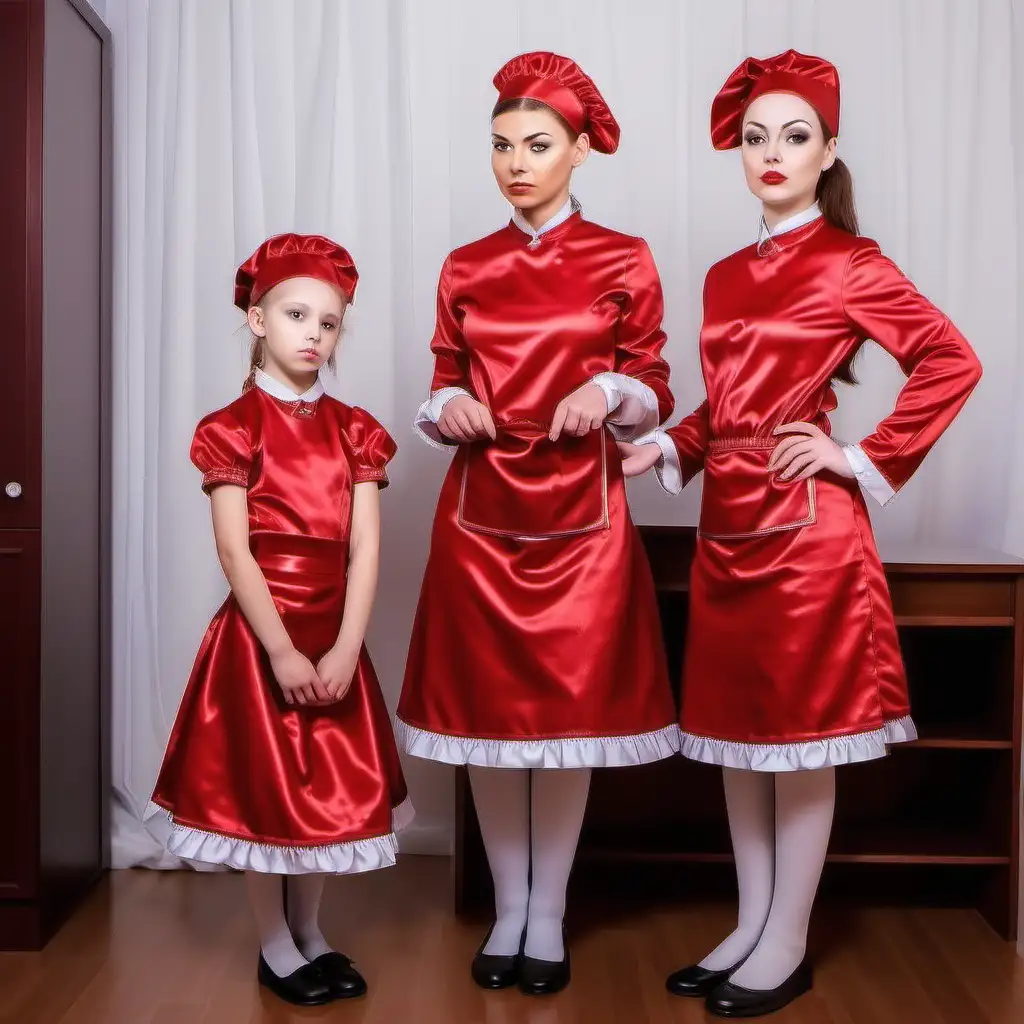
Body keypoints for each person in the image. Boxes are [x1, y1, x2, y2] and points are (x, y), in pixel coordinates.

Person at [620, 50, 982, 1018]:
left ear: (828, 152)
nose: (770, 152)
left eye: (794, 135)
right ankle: (747, 924)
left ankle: (786, 939)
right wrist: (667, 440)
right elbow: (727, 405)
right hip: (726, 525)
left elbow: (951, 359)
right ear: (737, 154)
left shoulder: (850, 262)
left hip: (808, 537)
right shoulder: (724, 273)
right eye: (753, 137)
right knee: (738, 741)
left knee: (801, 740)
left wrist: (858, 455)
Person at [396, 51, 678, 996]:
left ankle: (547, 910)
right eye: (502, 146)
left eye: (538, 145)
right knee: (488, 724)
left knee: (565, 722)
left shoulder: (623, 258)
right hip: (479, 523)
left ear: (581, 151)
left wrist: (608, 389)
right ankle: (508, 904)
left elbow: (658, 383)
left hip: (584, 522)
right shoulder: (465, 265)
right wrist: (449, 412)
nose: (517, 162)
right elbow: (439, 377)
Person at [146, 233, 412, 1007]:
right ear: (258, 321)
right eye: (297, 315)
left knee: (327, 791)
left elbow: (365, 549)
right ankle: (274, 943)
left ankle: (312, 931)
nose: (314, 335)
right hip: (266, 641)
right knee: (265, 795)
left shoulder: (355, 428)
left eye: (328, 323)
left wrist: (345, 647)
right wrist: (286, 653)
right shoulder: (234, 426)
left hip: (335, 638)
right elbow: (236, 552)